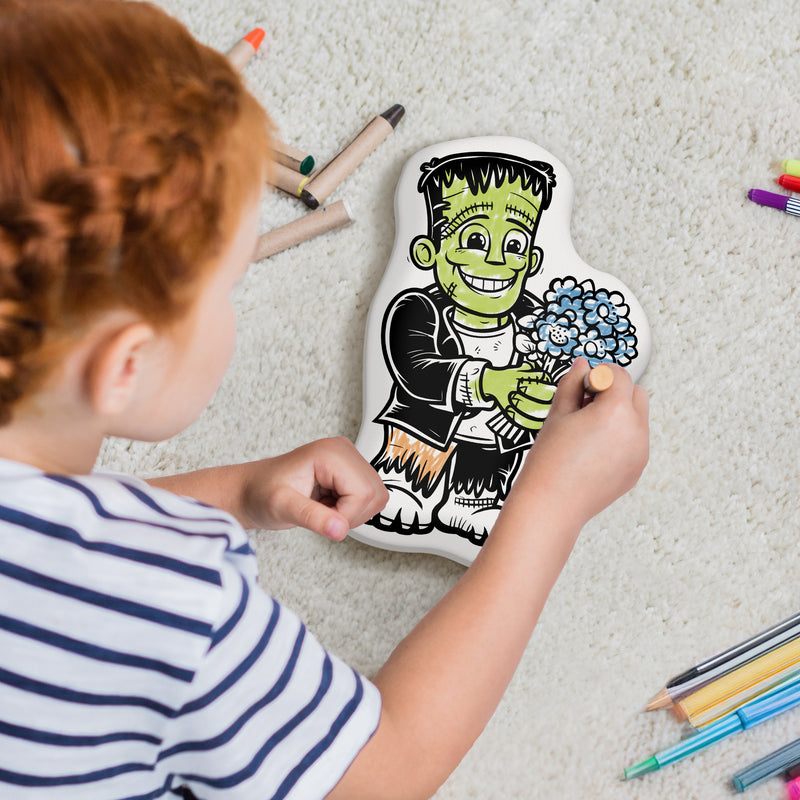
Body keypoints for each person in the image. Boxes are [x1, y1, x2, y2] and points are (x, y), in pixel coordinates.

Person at [0, 1, 649, 799]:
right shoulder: (175, 605)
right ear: (126, 364)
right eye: (228, 287)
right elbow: (383, 771)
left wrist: (232, 492)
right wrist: (551, 505)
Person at [368, 152, 559, 543]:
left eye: (515, 244)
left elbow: (549, 368)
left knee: (487, 464)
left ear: (532, 261)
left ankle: (474, 499)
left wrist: (540, 399)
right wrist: (487, 382)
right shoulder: (416, 308)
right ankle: (407, 484)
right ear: (428, 252)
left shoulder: (538, 321)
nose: (496, 260)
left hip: (493, 438)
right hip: (424, 432)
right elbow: (416, 370)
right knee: (414, 452)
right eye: (475, 240)